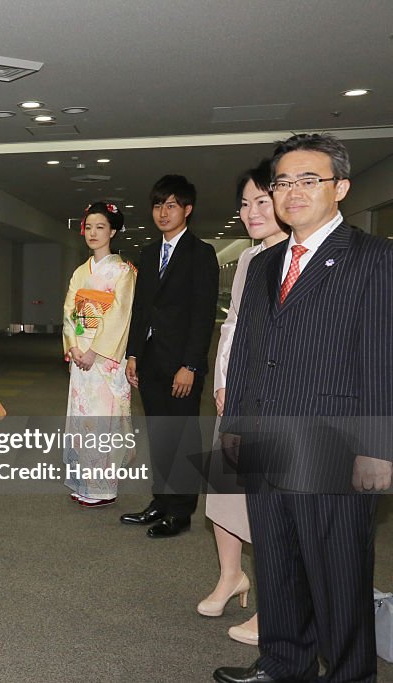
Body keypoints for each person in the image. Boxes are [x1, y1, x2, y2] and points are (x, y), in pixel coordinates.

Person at [214, 134, 393, 683]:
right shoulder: (267, 265)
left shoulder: (374, 258)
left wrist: (379, 454)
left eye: (307, 179)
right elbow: (247, 351)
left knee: (338, 581)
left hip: (336, 453)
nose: (291, 192)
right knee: (278, 566)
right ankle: (284, 665)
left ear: (339, 187)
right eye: (283, 181)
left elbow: (383, 360)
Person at [199, 161, 287, 647]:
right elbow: (232, 325)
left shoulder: (298, 257)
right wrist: (222, 381)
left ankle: (276, 603)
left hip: (277, 398)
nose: (252, 212)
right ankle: (231, 576)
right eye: (245, 203)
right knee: (225, 489)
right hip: (239, 392)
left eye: (261, 201)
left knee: (268, 501)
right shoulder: (252, 259)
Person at [121, 174, 218, 538]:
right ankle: (160, 501)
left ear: (187, 210)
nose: (163, 212)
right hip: (149, 360)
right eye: (159, 205)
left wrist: (190, 364)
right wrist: (133, 354)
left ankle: (180, 511)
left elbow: (202, 313)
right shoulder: (147, 254)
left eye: (172, 205)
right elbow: (141, 308)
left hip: (182, 365)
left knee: (182, 436)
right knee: (160, 434)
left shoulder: (201, 253)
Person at [62, 202, 136, 507]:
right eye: (88, 227)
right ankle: (84, 481)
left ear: (113, 231)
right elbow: (69, 310)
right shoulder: (81, 272)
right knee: (82, 417)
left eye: (100, 227)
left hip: (105, 358)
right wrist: (74, 347)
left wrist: (95, 350)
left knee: (103, 420)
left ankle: (103, 488)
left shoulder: (124, 271)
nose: (93, 233)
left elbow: (121, 314)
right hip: (82, 354)